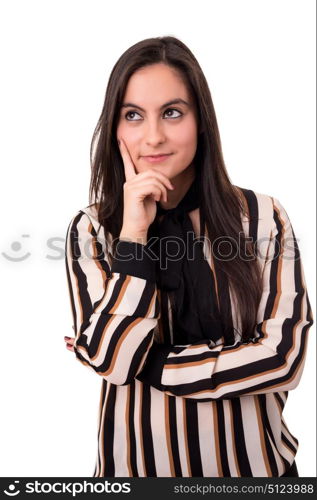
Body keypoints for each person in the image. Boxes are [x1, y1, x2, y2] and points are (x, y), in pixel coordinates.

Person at [64, 36, 314, 477]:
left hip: (255, 473)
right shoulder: (93, 228)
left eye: (173, 112)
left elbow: (282, 359)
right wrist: (134, 235)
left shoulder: (262, 217)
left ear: (201, 120)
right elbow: (114, 360)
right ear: (115, 127)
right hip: (135, 474)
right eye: (133, 115)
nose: (154, 135)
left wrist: (151, 365)